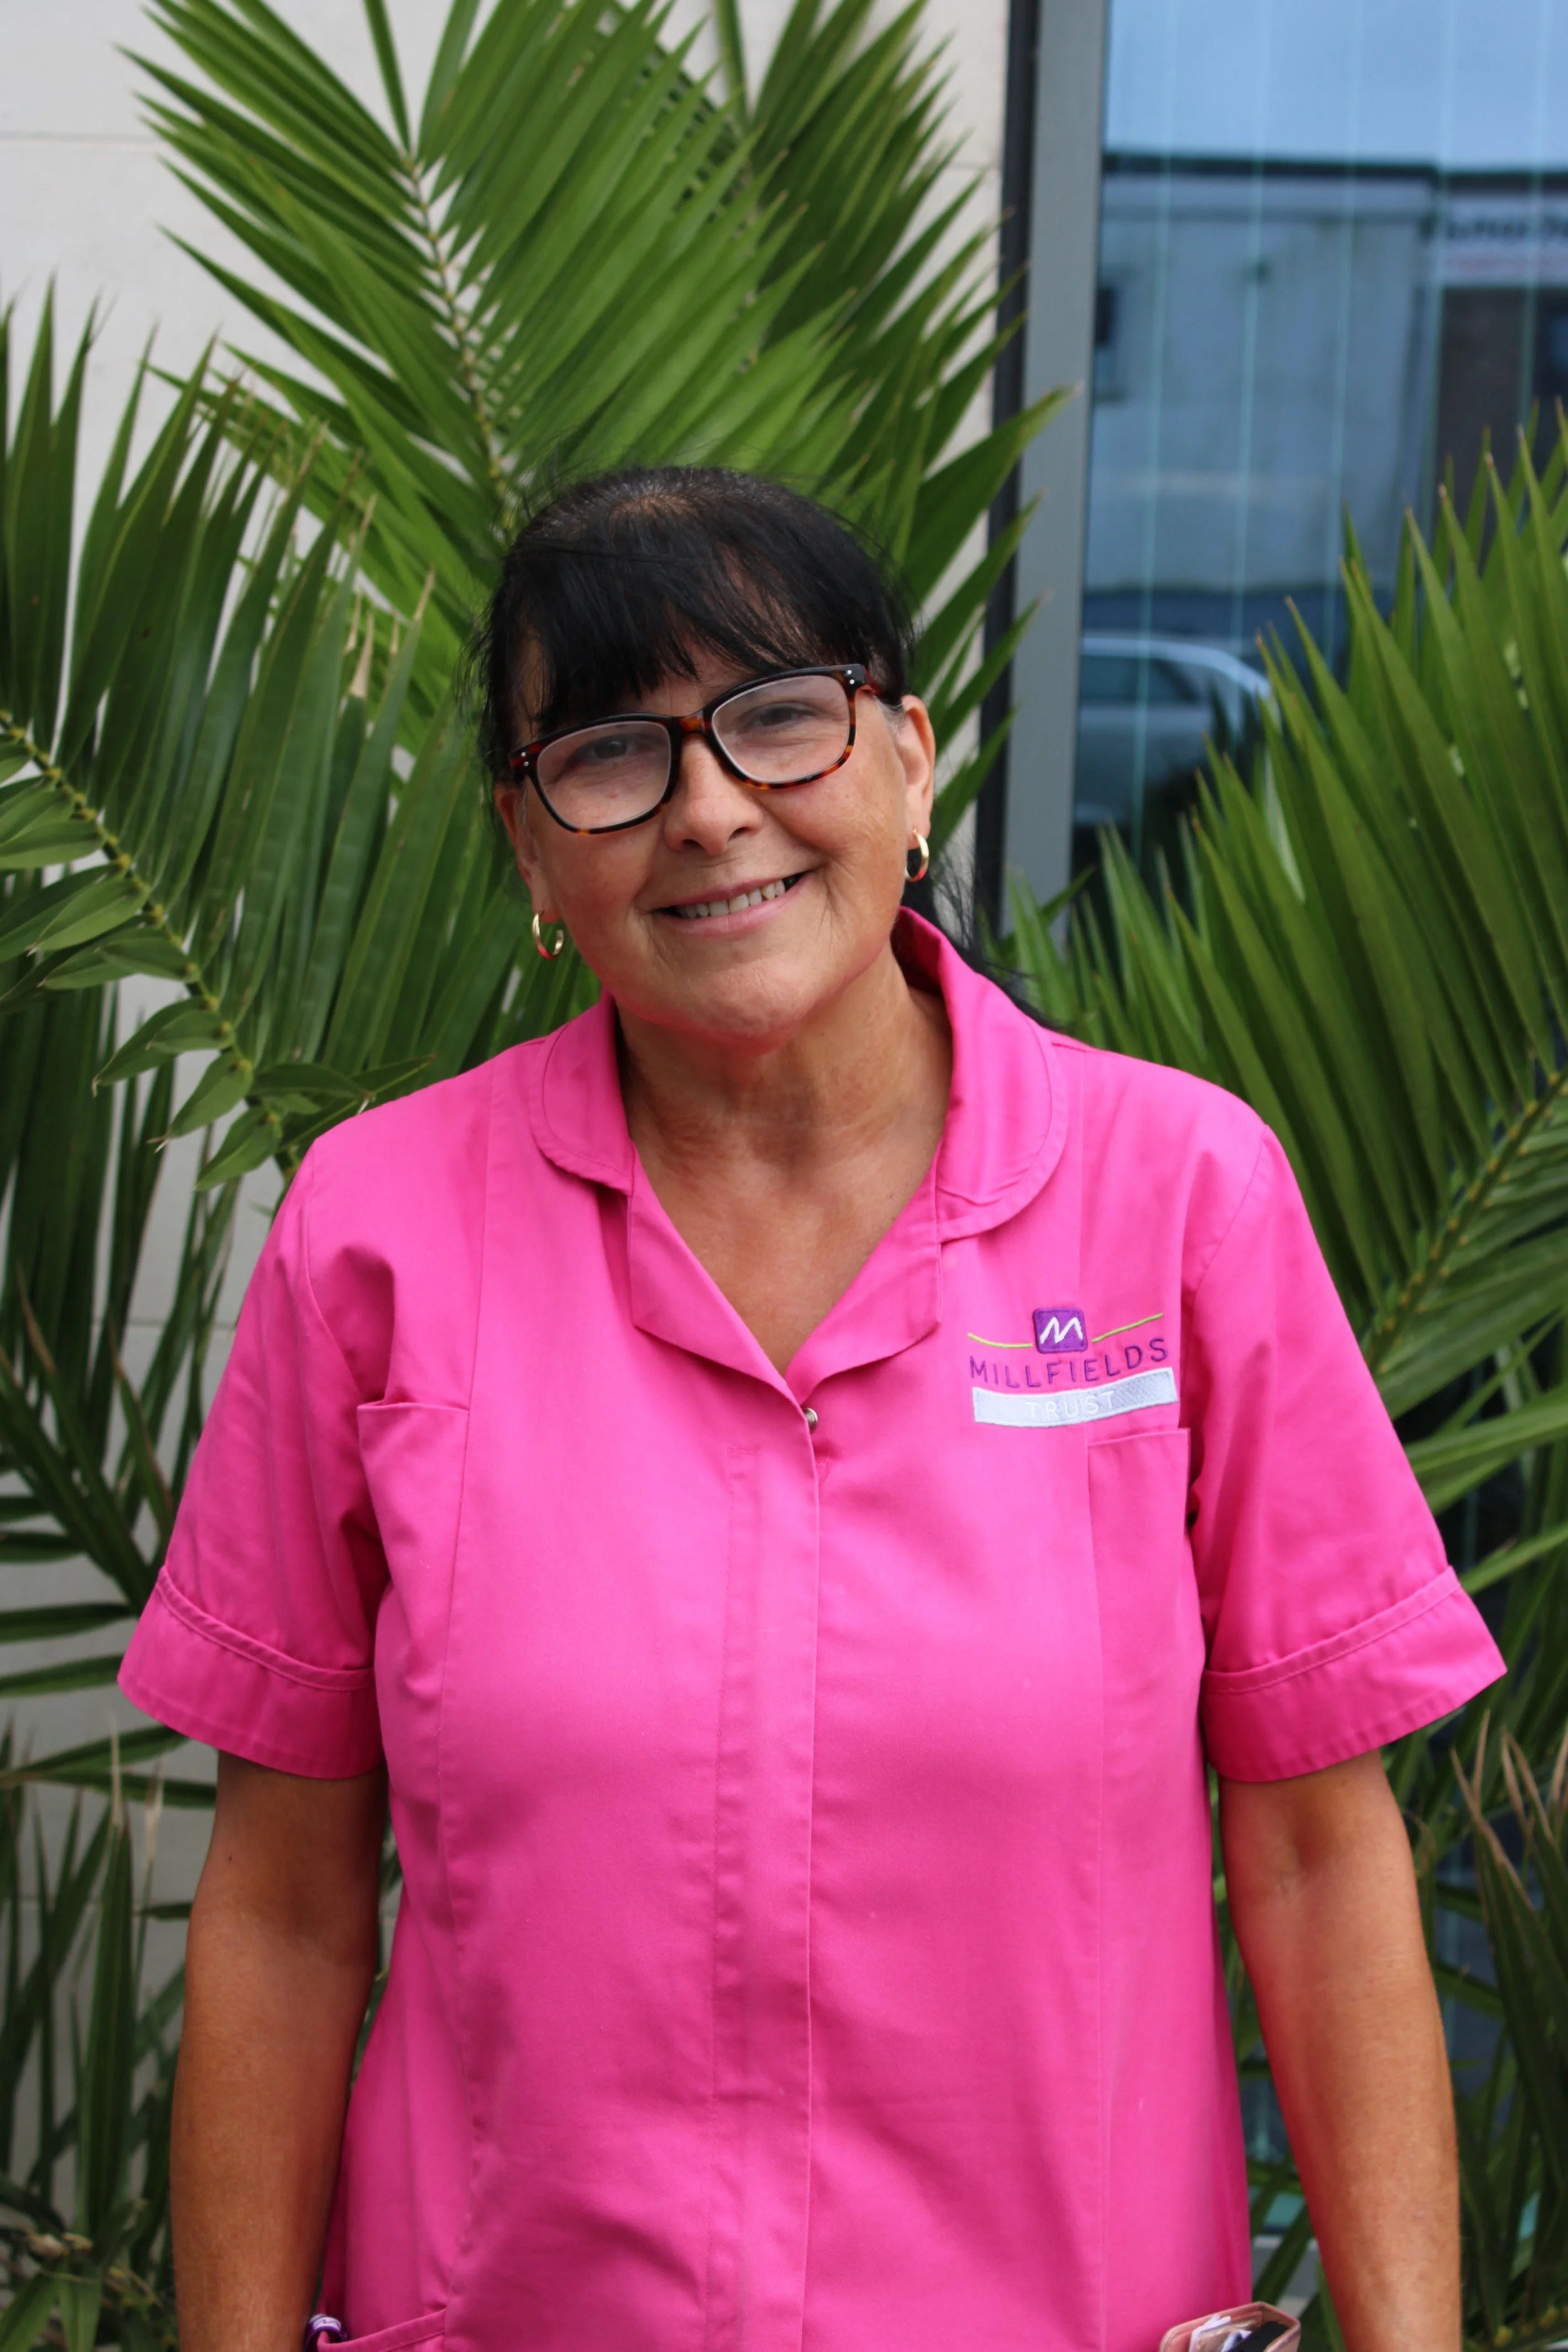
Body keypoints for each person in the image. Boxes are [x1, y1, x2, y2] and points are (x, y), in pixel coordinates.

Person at [120, 468, 1504, 2352]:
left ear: (910, 760)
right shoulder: (376, 1243)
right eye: (609, 754)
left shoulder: (1179, 1198)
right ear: (529, 850)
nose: (707, 808)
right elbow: (282, 1905)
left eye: (780, 715)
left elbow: (1322, 1853)